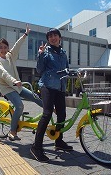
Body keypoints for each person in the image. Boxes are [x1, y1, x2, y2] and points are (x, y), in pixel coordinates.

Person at [0, 24, 43, 141]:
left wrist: (25, 34)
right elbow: (3, 73)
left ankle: (51, 110)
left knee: (35, 97)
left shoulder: (10, 56)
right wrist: (14, 81)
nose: (3, 49)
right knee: (19, 106)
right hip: (7, 88)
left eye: (5, 47)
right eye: (1, 47)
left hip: (16, 86)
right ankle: (12, 131)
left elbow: (17, 45)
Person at [30, 28, 73, 163]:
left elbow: (66, 69)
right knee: (47, 113)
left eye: (55, 35)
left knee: (62, 114)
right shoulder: (46, 52)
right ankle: (36, 147)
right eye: (50, 36)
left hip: (60, 87)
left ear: (59, 38)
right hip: (47, 85)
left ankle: (59, 141)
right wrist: (40, 55)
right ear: (48, 40)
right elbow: (39, 70)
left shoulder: (63, 53)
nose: (53, 38)